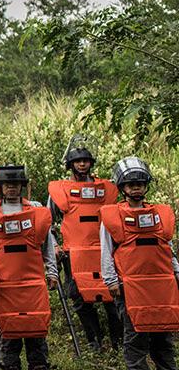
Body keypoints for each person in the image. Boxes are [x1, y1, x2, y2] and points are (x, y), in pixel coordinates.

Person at [100, 157, 179, 370]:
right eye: (131, 184)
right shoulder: (113, 216)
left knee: (164, 339)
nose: (136, 188)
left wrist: (176, 272)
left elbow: (168, 248)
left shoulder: (160, 214)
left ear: (146, 186)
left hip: (162, 287)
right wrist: (111, 281)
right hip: (130, 288)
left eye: (140, 184)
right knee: (135, 339)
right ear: (122, 187)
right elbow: (106, 251)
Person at [0, 165, 58, 370]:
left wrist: (51, 271)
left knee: (36, 329)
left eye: (16, 184)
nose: (11, 188)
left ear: (23, 186)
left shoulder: (36, 209)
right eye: (7, 184)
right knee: (10, 330)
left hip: (33, 281)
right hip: (4, 281)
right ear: (0, 187)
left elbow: (47, 244)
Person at [48, 134, 121, 352]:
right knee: (78, 295)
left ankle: (117, 341)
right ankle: (94, 340)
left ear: (91, 163)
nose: (82, 164)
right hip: (74, 253)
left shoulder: (106, 189)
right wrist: (54, 245)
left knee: (111, 295)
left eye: (85, 160)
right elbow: (47, 221)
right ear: (70, 165)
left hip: (103, 251)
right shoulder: (60, 190)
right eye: (77, 161)